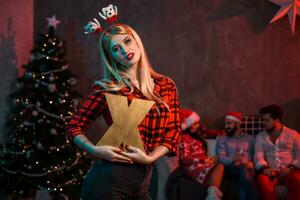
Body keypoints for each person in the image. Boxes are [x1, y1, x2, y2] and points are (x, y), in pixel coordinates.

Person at [66, 4, 181, 200]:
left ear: (137, 40)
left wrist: (150, 157)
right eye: (116, 49)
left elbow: (173, 133)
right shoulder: (108, 87)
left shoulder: (166, 85)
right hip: (109, 178)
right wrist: (95, 149)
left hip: (145, 178)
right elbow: (74, 126)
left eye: (127, 41)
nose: (124, 50)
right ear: (112, 58)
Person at [254, 104, 300, 200]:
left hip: (290, 171)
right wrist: (264, 167)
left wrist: (290, 168)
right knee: (261, 179)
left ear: (277, 120)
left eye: (267, 120)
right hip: (271, 172)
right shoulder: (261, 136)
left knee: (298, 181)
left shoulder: (293, 134)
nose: (263, 123)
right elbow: (258, 156)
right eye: (263, 120)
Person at [179, 109, 224, 200]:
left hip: (202, 165)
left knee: (219, 166)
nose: (197, 126)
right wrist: (203, 160)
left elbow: (208, 133)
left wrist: (209, 159)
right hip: (192, 168)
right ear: (188, 125)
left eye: (198, 124)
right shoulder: (184, 140)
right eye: (194, 124)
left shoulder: (196, 139)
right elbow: (185, 158)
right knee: (220, 167)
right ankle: (212, 196)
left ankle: (212, 195)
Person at [216, 112, 259, 200]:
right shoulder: (222, 139)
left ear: (238, 124)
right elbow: (221, 158)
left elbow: (257, 156)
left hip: (247, 169)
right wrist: (233, 159)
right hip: (230, 169)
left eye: (229, 123)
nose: (226, 126)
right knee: (243, 172)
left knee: (244, 177)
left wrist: (252, 164)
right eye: (225, 124)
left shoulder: (250, 139)